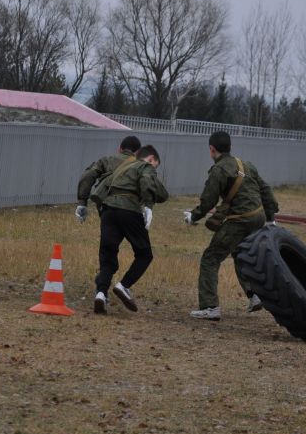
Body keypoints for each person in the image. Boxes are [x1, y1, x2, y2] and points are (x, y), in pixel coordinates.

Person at [183, 130, 278, 320]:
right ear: (229, 147)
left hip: (239, 220)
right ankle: (255, 295)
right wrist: (270, 216)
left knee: (211, 258)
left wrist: (193, 217)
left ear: (211, 149)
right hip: (257, 217)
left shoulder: (219, 170)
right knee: (241, 255)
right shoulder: (246, 165)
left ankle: (210, 307)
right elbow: (265, 189)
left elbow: (208, 200)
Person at [89, 145, 168, 315]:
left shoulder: (121, 167)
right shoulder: (145, 167)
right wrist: (148, 205)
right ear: (152, 159)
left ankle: (101, 293)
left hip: (108, 211)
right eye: (156, 165)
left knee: (108, 256)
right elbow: (157, 190)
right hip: (129, 211)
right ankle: (124, 285)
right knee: (144, 254)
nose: (155, 169)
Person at [76, 135, 142, 223]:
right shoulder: (141, 166)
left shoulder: (106, 161)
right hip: (131, 209)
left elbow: (87, 176)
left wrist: (82, 203)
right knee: (137, 236)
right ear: (138, 153)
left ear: (119, 149)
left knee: (109, 235)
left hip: (107, 208)